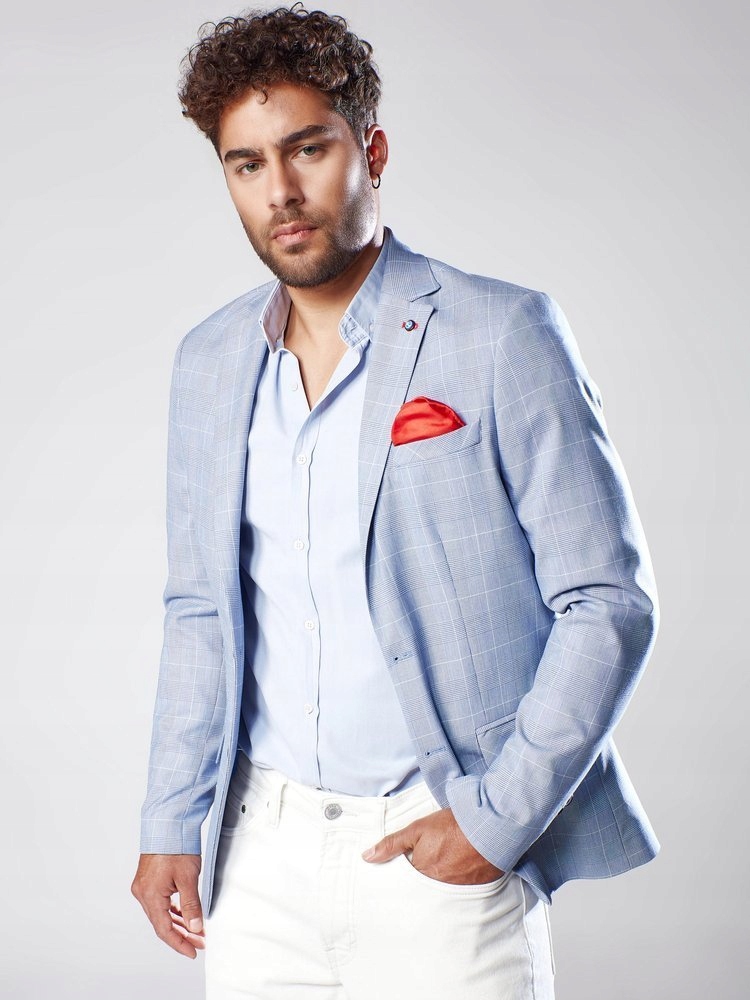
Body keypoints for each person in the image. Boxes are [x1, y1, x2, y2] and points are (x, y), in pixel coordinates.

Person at [131, 6, 659, 998]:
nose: (281, 192)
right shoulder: (208, 362)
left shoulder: (501, 333)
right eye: (247, 164)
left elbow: (607, 601)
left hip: (435, 843)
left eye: (308, 149)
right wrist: (170, 820)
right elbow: (200, 607)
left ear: (370, 151)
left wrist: (496, 821)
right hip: (259, 859)